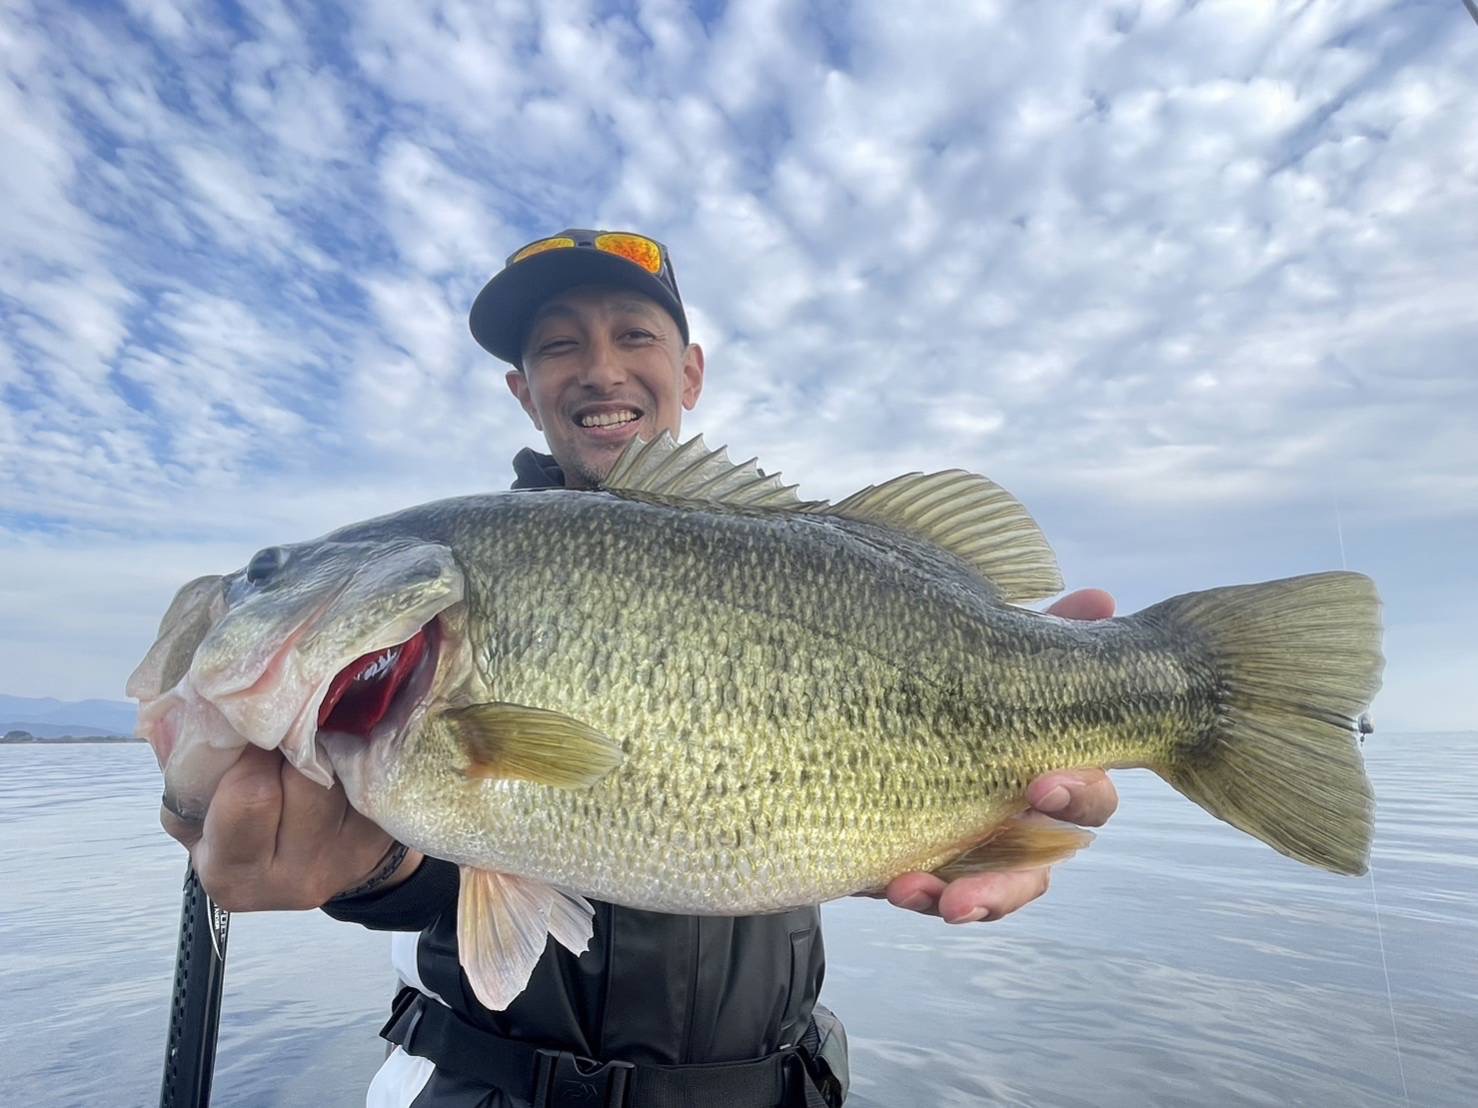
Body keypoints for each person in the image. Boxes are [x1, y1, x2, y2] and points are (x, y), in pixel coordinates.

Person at [160, 228, 1120, 1107]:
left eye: (634, 335)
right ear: (522, 389)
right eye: (559, 346)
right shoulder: (424, 633)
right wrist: (363, 869)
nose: (600, 369)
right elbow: (427, 860)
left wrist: (983, 817)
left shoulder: (814, 560)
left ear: (690, 372)